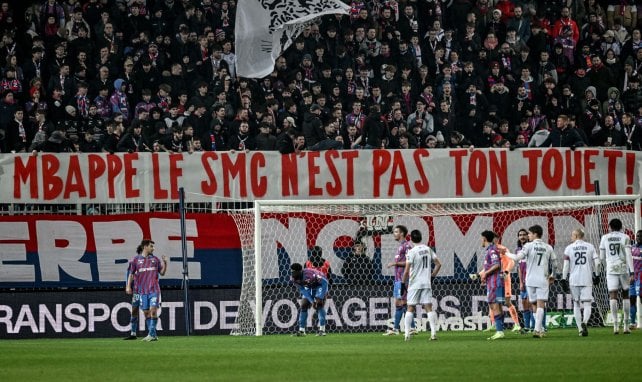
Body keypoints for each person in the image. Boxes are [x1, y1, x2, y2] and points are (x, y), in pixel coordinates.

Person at [506, 225, 557, 338]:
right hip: (543, 279)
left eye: (529, 233)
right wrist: (553, 275)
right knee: (540, 304)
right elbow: (555, 263)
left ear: (534, 234)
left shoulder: (528, 246)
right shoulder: (548, 247)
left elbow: (517, 258)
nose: (528, 235)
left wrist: (505, 253)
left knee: (534, 304)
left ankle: (538, 329)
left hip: (530, 279)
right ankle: (539, 329)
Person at [402, 230, 441, 341]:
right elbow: (438, 264)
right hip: (426, 283)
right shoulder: (428, 249)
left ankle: (407, 335)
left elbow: (406, 271)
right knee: (429, 307)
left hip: (414, 283)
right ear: (421, 237)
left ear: (411, 239)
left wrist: (402, 283)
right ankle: (433, 334)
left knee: (410, 308)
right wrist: (432, 276)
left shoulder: (412, 251)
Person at [126, 239, 168, 341]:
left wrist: (165, 263)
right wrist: (128, 286)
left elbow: (162, 273)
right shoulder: (135, 260)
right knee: (145, 313)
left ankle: (151, 334)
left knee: (153, 311)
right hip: (142, 291)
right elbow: (131, 274)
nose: (153, 248)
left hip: (154, 290)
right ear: (145, 247)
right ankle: (152, 335)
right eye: (151, 246)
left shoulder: (155, 260)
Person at [599, 218, 634, 334]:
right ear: (621, 226)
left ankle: (615, 326)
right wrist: (632, 271)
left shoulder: (605, 237)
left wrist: (600, 270)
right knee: (625, 294)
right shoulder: (625, 237)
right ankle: (626, 325)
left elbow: (602, 257)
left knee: (612, 295)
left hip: (611, 269)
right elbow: (629, 255)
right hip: (623, 269)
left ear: (609, 227)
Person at [562, 228, 599, 337]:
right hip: (587, 278)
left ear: (576, 235)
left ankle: (580, 329)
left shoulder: (569, 248)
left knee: (576, 304)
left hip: (574, 279)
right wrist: (597, 275)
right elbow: (597, 263)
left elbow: (566, 266)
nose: (571, 237)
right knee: (587, 303)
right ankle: (585, 322)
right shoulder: (590, 246)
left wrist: (564, 279)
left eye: (572, 235)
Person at [483, 233, 521, 333]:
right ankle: (495, 325)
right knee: (493, 302)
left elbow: (512, 261)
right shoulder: (491, 250)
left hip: (503, 278)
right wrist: (480, 274)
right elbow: (487, 267)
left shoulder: (502, 249)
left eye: (496, 238)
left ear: (498, 239)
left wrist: (507, 271)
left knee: (506, 302)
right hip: (493, 279)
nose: (494, 240)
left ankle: (517, 324)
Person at [384, 225, 413, 335]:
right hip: (398, 278)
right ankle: (397, 329)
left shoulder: (407, 246)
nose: (394, 233)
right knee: (398, 303)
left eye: (396, 232)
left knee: (403, 302)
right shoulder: (400, 246)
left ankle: (409, 328)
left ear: (402, 233)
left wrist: (395, 263)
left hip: (403, 279)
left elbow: (409, 262)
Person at [477, 231, 506, 340]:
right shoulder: (491, 250)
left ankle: (499, 331)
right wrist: (485, 276)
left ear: (484, 239)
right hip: (494, 281)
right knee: (497, 305)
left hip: (495, 282)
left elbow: (497, 265)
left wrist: (486, 273)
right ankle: (500, 330)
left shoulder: (492, 250)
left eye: (481, 238)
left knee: (494, 305)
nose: (481, 240)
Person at [291, 262, 329, 336]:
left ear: (300, 271)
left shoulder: (310, 274)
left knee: (319, 304)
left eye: (294, 272)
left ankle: (322, 330)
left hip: (320, 285)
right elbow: (302, 290)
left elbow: (325, 282)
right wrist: (312, 301)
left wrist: (320, 297)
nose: (293, 274)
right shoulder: (294, 279)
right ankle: (302, 331)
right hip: (309, 288)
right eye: (292, 272)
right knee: (304, 305)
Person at [515, 228, 534, 333]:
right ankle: (527, 327)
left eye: (524, 234)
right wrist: (521, 282)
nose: (522, 236)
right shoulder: (518, 250)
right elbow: (519, 268)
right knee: (524, 303)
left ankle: (533, 326)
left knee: (531, 303)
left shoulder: (531, 248)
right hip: (523, 281)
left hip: (531, 279)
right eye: (520, 235)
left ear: (528, 236)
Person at [631, 230, 642, 330]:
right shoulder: (632, 247)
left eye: (640, 236)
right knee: (632, 299)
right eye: (637, 236)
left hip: (640, 276)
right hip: (632, 277)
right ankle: (632, 322)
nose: (638, 237)